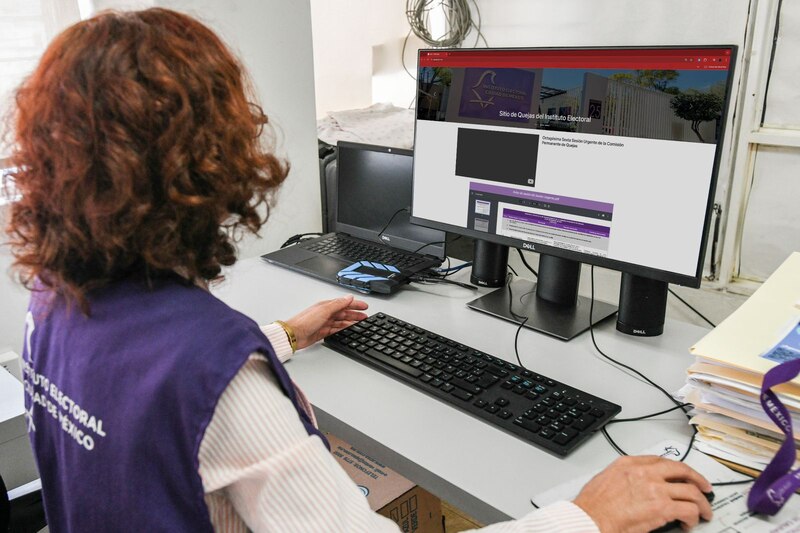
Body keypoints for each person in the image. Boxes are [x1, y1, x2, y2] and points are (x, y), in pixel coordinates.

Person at [4, 8, 714, 532]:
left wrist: (278, 336)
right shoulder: (224, 387)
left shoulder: (54, 299)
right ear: (207, 156)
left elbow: (142, 383)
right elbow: (203, 396)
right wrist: (585, 515)